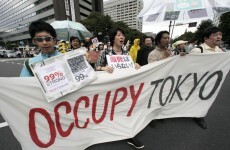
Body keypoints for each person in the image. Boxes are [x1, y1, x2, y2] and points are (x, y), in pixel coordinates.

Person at [95, 27, 144, 149]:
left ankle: (129, 135)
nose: (122, 37)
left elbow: (131, 67)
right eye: (118, 35)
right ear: (113, 38)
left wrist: (135, 65)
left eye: (123, 35)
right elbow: (96, 67)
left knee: (126, 110)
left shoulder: (126, 53)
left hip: (125, 89)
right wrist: (103, 68)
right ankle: (111, 130)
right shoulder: (105, 52)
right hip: (110, 89)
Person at [189, 26, 223, 129]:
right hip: (197, 82)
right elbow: (187, 67)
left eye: (220, 35)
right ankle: (195, 115)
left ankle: (199, 115)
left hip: (211, 82)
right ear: (206, 38)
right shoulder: (198, 51)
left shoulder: (220, 51)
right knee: (194, 98)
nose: (218, 37)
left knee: (205, 99)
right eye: (215, 35)